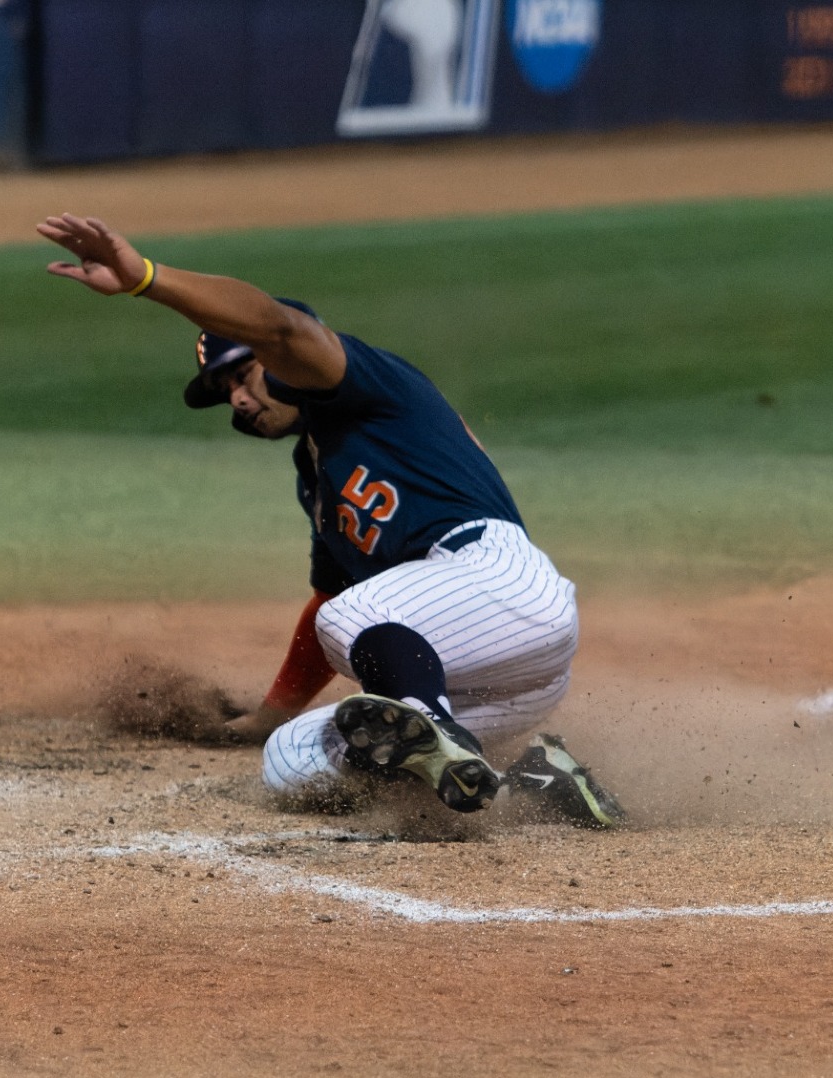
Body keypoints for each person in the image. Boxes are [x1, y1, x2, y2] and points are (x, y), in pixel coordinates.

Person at [38, 213, 622, 827]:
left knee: (355, 617)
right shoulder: (316, 473)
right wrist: (271, 713)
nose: (236, 398)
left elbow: (281, 328)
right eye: (223, 391)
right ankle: (537, 780)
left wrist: (147, 281)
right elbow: (328, 596)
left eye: (243, 374)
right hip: (489, 670)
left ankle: (440, 730)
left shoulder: (366, 385)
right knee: (294, 760)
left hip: (500, 580)